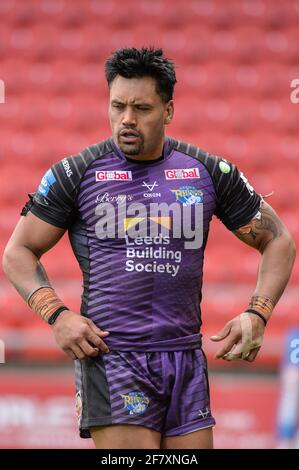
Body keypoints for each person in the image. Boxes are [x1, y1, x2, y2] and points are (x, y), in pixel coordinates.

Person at [2, 47, 296, 450]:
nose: (126, 119)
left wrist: (258, 313)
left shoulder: (206, 171)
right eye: (117, 106)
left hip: (185, 358)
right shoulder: (77, 172)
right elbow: (17, 251)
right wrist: (56, 315)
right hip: (113, 357)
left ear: (169, 110)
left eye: (141, 107)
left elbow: (277, 239)